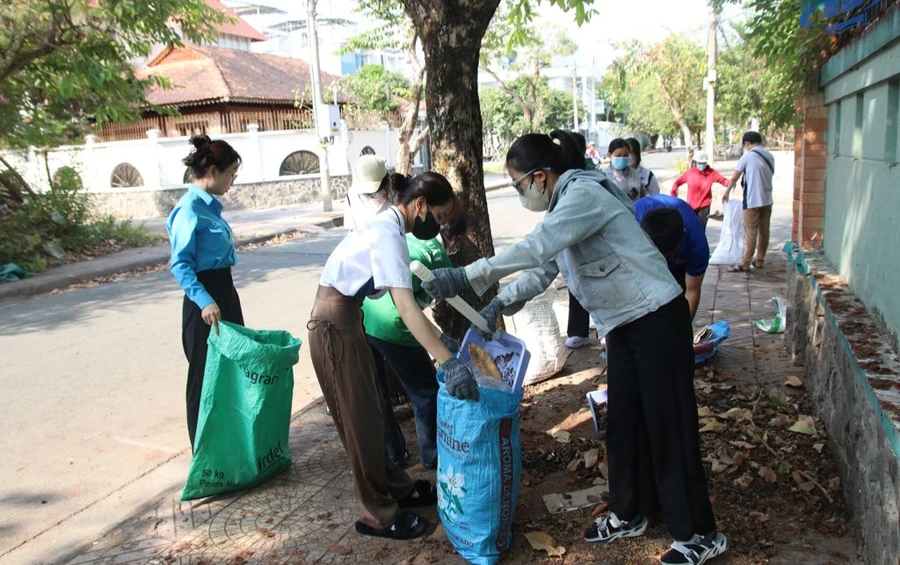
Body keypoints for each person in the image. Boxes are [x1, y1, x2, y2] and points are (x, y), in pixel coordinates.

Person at [422, 130, 727, 565]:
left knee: (668, 425)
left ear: (541, 176)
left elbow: (537, 247)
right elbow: (544, 269)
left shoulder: (584, 194)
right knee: (624, 423)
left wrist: (469, 275)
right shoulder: (563, 208)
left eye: (518, 184)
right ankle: (630, 511)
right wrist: (498, 302)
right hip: (623, 326)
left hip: (657, 318)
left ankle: (699, 533)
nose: (519, 193)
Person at [307, 172, 477, 541]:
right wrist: (447, 361)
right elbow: (405, 307)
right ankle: (377, 515)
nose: (440, 225)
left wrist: (440, 338)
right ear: (419, 205)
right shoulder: (387, 232)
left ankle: (397, 488)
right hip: (335, 327)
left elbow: (400, 302)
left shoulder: (389, 226)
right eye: (440, 215)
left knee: (371, 415)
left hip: (348, 320)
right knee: (360, 425)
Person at [167, 135, 244, 450]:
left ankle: (230, 447)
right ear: (212, 170)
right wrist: (205, 300)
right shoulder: (189, 210)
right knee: (204, 380)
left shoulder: (211, 208)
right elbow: (180, 265)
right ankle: (204, 454)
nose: (232, 181)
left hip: (225, 292)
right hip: (205, 304)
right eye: (230, 175)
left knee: (232, 371)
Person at [634, 194, 710, 320]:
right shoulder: (632, 223)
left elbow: (692, 291)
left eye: (666, 255)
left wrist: (684, 331)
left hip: (678, 264)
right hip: (642, 252)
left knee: (677, 301)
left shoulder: (697, 245)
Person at [722, 131, 775, 272]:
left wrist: (727, 192)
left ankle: (745, 263)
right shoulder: (770, 156)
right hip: (767, 199)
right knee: (764, 230)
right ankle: (760, 260)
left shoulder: (747, 157)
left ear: (747, 143)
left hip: (751, 200)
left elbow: (734, 178)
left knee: (751, 231)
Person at [670, 150, 728, 229]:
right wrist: (673, 196)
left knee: (701, 229)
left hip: (704, 206)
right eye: (699, 163)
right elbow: (677, 183)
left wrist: (731, 184)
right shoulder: (690, 173)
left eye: (703, 163)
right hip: (691, 206)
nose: (701, 165)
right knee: (690, 228)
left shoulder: (711, 173)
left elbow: (723, 181)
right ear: (696, 162)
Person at [343, 154, 392, 230]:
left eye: (377, 193)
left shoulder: (396, 197)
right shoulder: (351, 196)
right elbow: (350, 227)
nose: (372, 196)